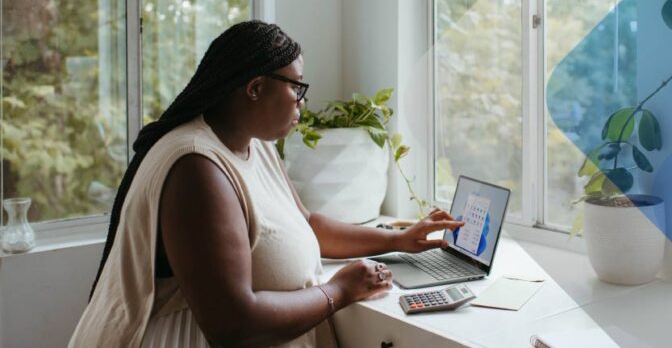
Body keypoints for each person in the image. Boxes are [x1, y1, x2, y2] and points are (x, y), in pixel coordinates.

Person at [69, 20, 463, 348]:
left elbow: (309, 225)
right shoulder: (196, 168)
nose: (302, 102)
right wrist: (340, 292)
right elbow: (233, 325)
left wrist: (398, 239)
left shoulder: (254, 146)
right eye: (296, 87)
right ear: (256, 88)